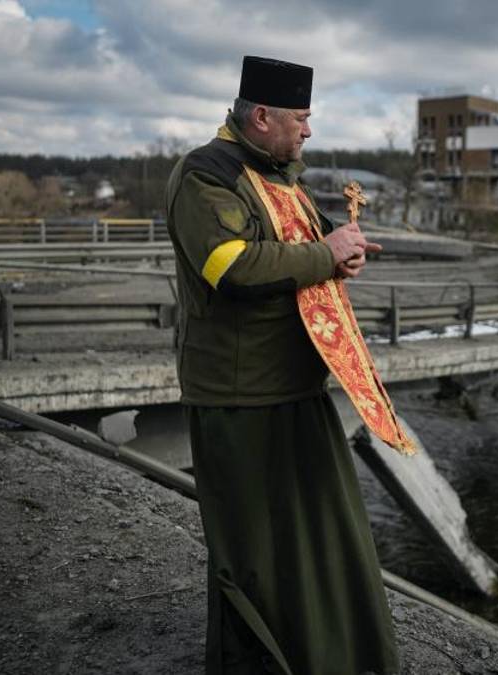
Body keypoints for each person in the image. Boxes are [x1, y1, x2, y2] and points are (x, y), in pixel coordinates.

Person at [165, 55, 398, 674]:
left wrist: (344, 253)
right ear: (261, 116)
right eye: (301, 117)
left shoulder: (281, 174)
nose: (309, 130)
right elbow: (232, 267)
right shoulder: (205, 175)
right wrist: (325, 255)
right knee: (257, 558)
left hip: (298, 389)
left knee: (321, 543)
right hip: (240, 398)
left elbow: (308, 247)